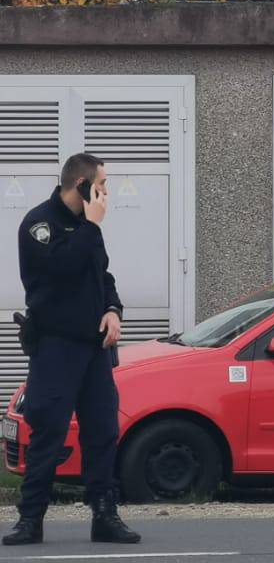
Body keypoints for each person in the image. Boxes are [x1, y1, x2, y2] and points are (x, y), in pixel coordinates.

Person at [5, 153, 140, 548]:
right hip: (56, 348)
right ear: (82, 185)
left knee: (102, 431)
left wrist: (113, 310)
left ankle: (104, 515)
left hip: (94, 350)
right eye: (101, 184)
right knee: (48, 432)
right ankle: (31, 519)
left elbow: (102, 275)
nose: (106, 193)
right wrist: (92, 226)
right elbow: (60, 271)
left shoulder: (87, 227)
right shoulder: (39, 224)